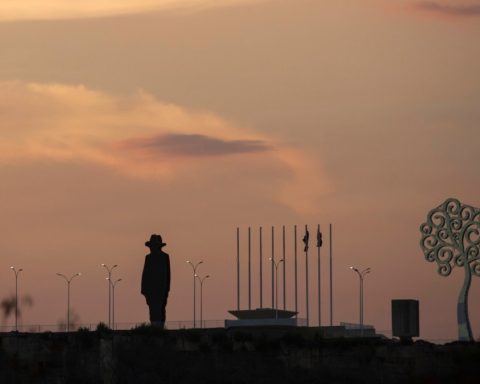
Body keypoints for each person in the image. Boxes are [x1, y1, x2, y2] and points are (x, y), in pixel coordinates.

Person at [141, 234, 171, 328]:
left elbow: (167, 275)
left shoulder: (164, 257)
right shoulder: (148, 258)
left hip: (161, 289)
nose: (151, 248)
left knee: (160, 309)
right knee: (152, 310)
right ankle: (155, 327)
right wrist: (144, 289)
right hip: (150, 290)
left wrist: (166, 290)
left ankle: (158, 327)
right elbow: (145, 274)